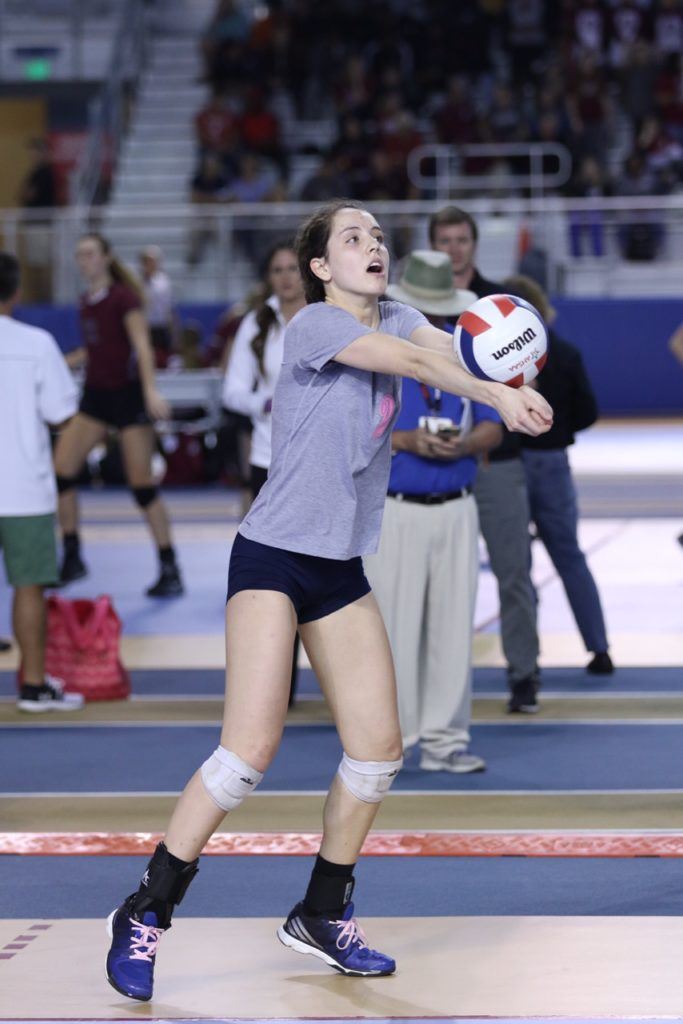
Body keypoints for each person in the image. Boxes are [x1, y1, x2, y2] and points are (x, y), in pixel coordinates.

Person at [104, 200, 552, 1002]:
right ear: (320, 266)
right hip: (274, 556)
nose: (371, 246)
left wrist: (501, 368)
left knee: (379, 752)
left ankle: (321, 909)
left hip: (338, 566)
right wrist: (498, 397)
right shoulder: (313, 326)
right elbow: (417, 368)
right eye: (352, 238)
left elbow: (446, 353)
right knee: (245, 756)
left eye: (378, 236)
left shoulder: (402, 311)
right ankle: (146, 910)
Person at [364, 250, 500, 773]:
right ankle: (386, 744)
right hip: (395, 509)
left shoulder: (467, 355)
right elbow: (357, 430)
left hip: (456, 507)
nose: (432, 316)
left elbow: (493, 420)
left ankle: (445, 740)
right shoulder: (377, 353)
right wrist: (407, 440)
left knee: (451, 626)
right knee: (391, 629)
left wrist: (465, 445)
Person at [429, 205, 541, 713]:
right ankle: (433, 687)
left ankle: (523, 674)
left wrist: (483, 436)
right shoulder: (413, 309)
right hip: (428, 466)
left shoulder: (504, 306)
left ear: (474, 244)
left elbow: (530, 380)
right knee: (435, 582)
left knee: (513, 570)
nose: (454, 249)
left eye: (461, 239)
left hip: (496, 460)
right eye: (444, 240)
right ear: (433, 246)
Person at [54, 233, 184, 598]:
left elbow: (141, 346)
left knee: (142, 486)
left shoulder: (124, 298)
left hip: (127, 397)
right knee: (62, 471)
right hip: (95, 397)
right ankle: (73, 555)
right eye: (80, 254)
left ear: (106, 257)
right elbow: (98, 348)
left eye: (91, 254)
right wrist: (65, 361)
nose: (84, 260)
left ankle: (169, 565)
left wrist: (150, 390)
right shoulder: (85, 302)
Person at [503, 274, 614, 674]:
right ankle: (599, 647)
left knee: (516, 564)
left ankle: (526, 657)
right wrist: (560, 429)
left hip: (511, 464)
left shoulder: (496, 360)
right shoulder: (564, 352)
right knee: (569, 556)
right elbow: (589, 412)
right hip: (552, 461)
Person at [222, 240, 307, 704]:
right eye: (277, 269)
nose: (285, 277)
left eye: (292, 268)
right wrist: (263, 402)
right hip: (267, 461)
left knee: (324, 572)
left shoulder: (327, 315)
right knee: (272, 576)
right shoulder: (256, 323)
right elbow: (232, 389)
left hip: (317, 463)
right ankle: (277, 685)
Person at [0, 252, 83, 712]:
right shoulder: (35, 343)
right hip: (22, 488)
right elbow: (63, 415)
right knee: (29, 586)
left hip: (23, 488)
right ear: (16, 292)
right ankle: (32, 686)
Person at [138, 246, 175, 369]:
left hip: (160, 326)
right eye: (146, 261)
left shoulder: (163, 281)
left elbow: (167, 308)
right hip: (144, 327)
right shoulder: (138, 281)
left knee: (163, 358)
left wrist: (173, 331)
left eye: (152, 261)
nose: (149, 264)